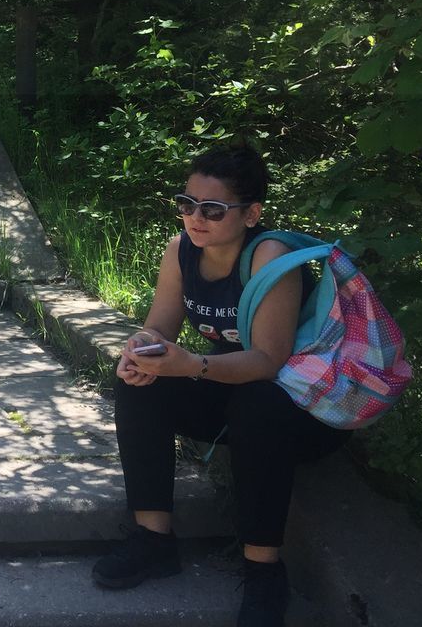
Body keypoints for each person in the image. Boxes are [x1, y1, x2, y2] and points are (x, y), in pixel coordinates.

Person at [91, 144, 349, 627]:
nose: (196, 218)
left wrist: (191, 364)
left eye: (213, 209)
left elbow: (269, 362)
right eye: (187, 204)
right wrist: (139, 352)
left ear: (252, 213)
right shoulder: (181, 250)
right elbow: (159, 326)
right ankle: (153, 540)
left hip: (306, 414)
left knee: (258, 403)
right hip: (237, 396)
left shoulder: (272, 258)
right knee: (139, 385)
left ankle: (263, 571)